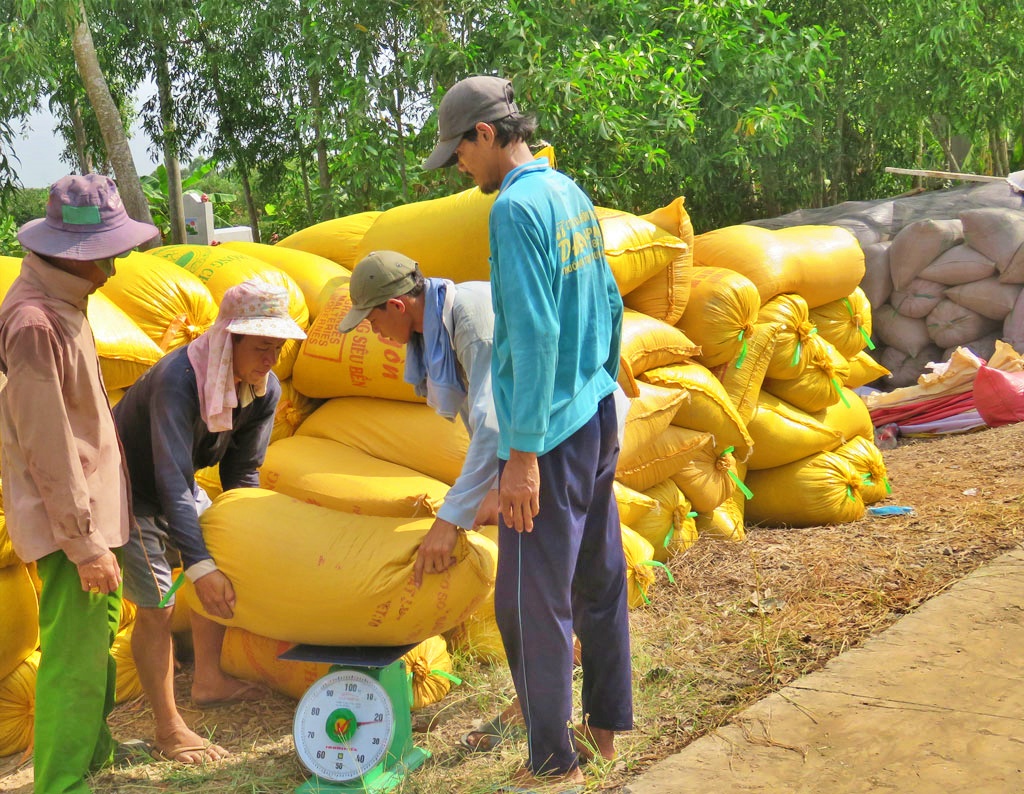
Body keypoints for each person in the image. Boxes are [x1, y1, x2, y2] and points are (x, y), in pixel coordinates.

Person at [423, 75, 631, 789]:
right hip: (593, 415)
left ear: (486, 135)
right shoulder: (567, 191)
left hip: (548, 432)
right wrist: (604, 383)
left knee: (525, 603)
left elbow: (535, 335)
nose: (459, 169)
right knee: (598, 581)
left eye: (459, 153)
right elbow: (607, 298)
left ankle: (554, 766)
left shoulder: (512, 211)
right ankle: (603, 732)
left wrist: (522, 457)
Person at [0, 173, 158, 793]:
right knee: (72, 655)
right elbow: (49, 447)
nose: (115, 270)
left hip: (96, 510)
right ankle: (61, 782)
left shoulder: (64, 306)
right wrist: (85, 542)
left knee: (96, 638)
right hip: (75, 524)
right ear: (76, 255)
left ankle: (93, 751)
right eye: (109, 256)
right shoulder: (36, 324)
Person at [113, 279, 306, 764]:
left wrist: (246, 537)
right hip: (129, 491)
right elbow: (170, 477)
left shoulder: (263, 388)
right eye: (262, 347)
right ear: (229, 339)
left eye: (278, 349)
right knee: (157, 606)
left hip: (173, 486)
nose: (271, 359)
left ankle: (208, 680)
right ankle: (169, 730)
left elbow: (241, 472)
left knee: (228, 559)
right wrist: (199, 563)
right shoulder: (178, 382)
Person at [337, 250, 500, 584]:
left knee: (545, 559)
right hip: (538, 435)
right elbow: (482, 418)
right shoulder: (441, 325)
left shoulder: (470, 324)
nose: (375, 332)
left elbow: (494, 427)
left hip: (571, 431)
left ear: (397, 306)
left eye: (373, 321)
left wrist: (449, 518)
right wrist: (486, 491)